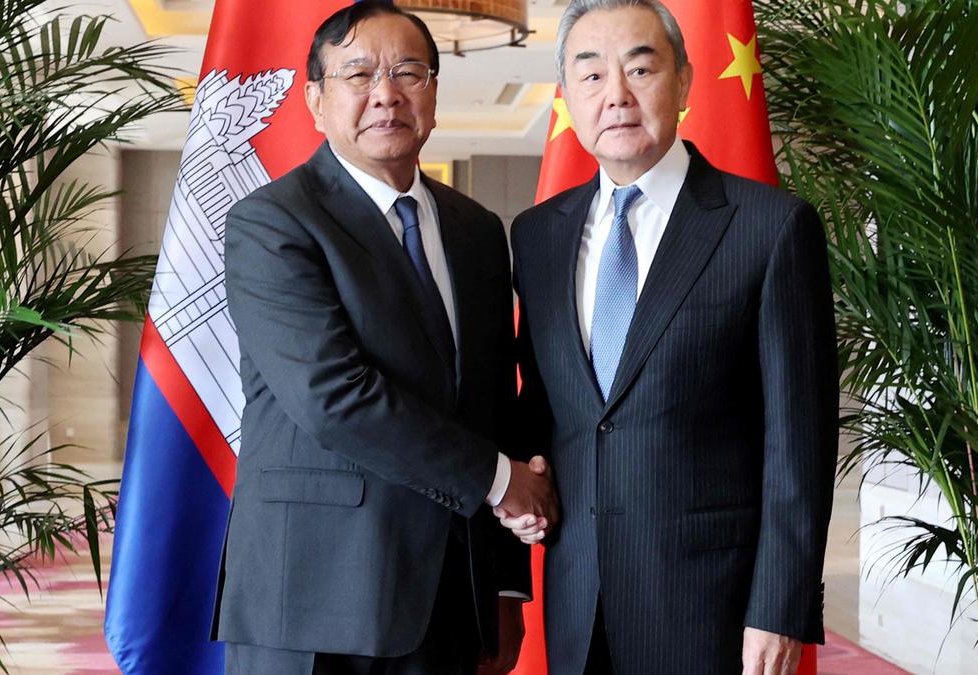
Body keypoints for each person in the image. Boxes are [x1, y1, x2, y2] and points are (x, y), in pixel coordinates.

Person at [212, 2, 559, 673]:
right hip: (315, 595)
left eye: (408, 72)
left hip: (449, 599)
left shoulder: (478, 231)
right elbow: (333, 396)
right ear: (315, 100)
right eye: (358, 74)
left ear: (433, 93)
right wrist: (499, 482)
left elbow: (493, 405)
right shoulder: (272, 222)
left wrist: (503, 586)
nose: (386, 94)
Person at [497, 0, 839, 672]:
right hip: (579, 601)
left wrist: (779, 606)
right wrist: (521, 488)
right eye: (591, 75)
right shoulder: (537, 236)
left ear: (683, 80)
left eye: (640, 69)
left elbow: (799, 440)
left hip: (712, 608)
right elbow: (545, 409)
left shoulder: (768, 227)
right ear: (567, 95)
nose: (616, 96)